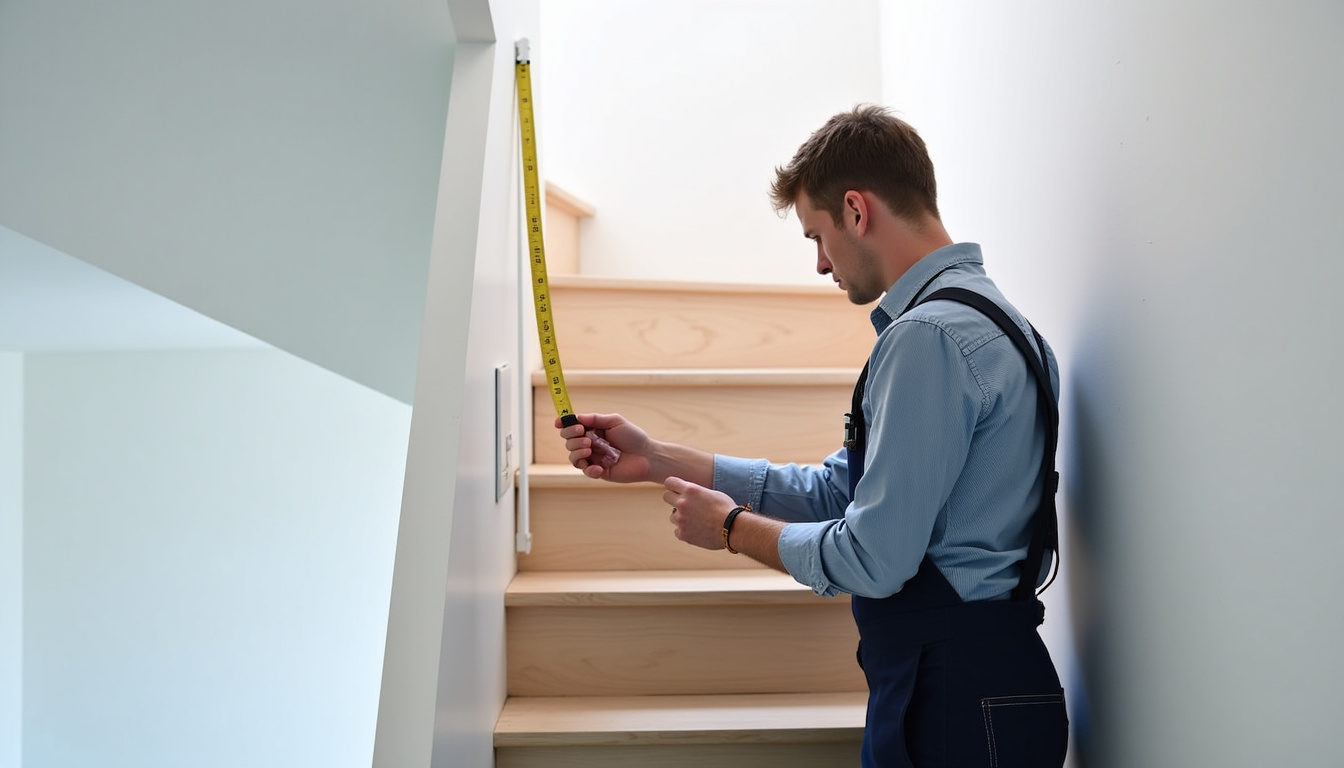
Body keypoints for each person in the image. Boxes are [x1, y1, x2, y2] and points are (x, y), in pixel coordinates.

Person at [556, 105, 1067, 768]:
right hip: (992, 688)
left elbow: (873, 559)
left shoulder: (928, 340)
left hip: (952, 705)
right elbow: (839, 490)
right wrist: (659, 459)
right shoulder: (1014, 329)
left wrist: (734, 529)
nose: (821, 265)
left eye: (816, 237)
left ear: (857, 209)